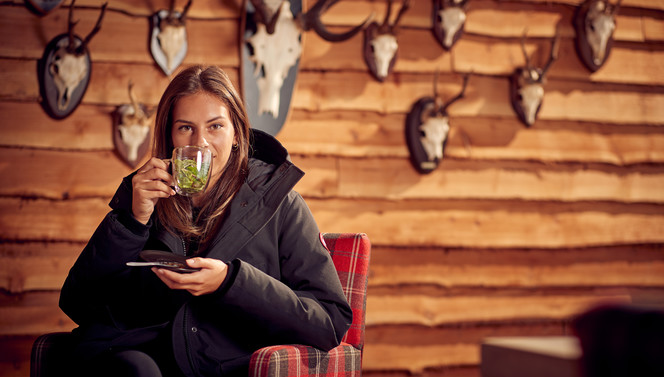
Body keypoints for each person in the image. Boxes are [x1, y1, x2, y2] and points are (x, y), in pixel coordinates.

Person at [59, 65, 352, 377]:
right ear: (169, 136)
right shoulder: (145, 197)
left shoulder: (282, 205)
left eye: (215, 127)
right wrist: (133, 221)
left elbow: (328, 322)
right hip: (139, 358)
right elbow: (79, 304)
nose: (200, 143)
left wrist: (230, 282)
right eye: (186, 128)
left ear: (237, 133)